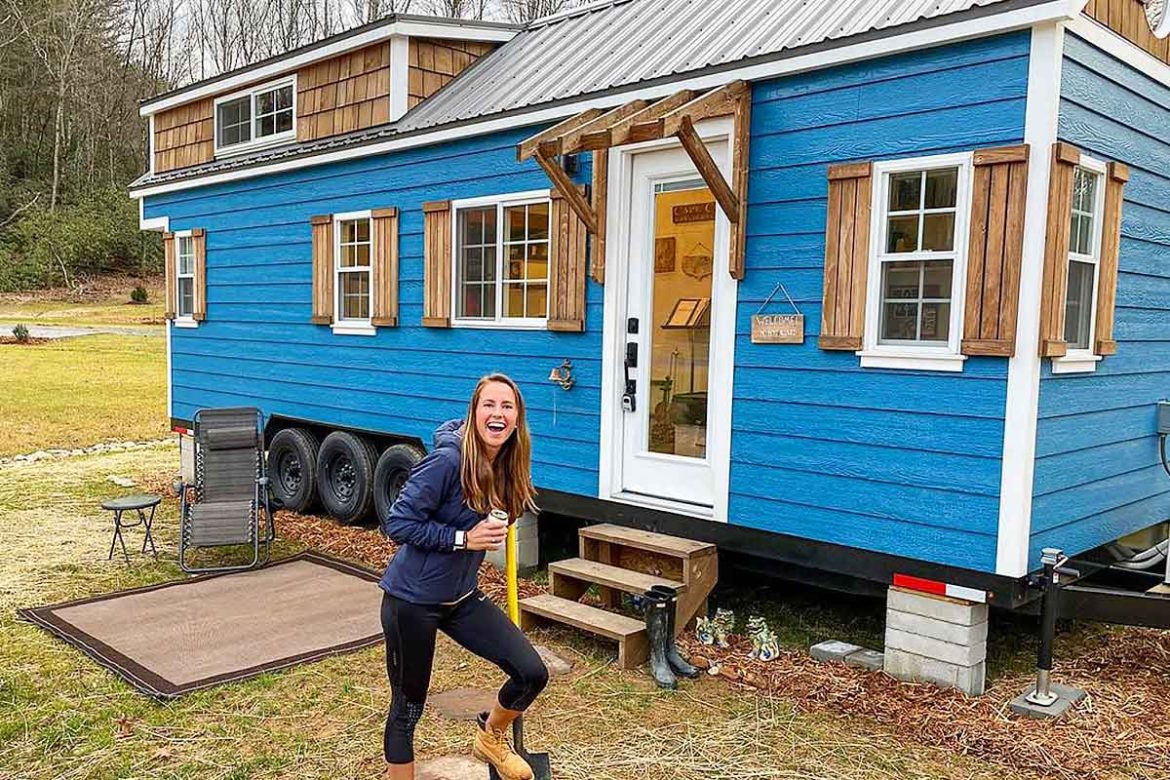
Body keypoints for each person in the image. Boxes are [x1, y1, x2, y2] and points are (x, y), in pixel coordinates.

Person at [378, 373, 549, 780]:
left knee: (531, 672)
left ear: (517, 419)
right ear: (474, 412)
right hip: (412, 602)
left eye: (507, 407)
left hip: (461, 599)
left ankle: (490, 738)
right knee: (407, 708)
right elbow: (397, 523)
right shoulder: (447, 461)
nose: (498, 414)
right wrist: (463, 538)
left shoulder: (507, 462)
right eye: (489, 405)